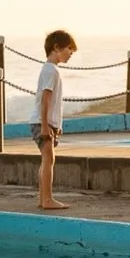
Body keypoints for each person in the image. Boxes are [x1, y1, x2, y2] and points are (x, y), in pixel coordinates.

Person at [32, 29, 77, 212]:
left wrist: (56, 125)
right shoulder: (51, 71)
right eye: (69, 49)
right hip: (43, 123)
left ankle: (43, 198)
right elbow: (46, 99)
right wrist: (45, 125)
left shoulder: (49, 70)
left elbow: (52, 102)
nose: (70, 54)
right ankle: (48, 198)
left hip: (45, 122)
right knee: (49, 159)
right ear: (56, 47)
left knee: (46, 159)